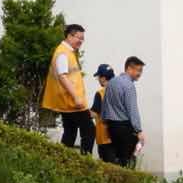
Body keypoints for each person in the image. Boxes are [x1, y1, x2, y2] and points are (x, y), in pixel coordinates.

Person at [41, 24, 92, 152]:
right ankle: (86, 159)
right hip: (72, 102)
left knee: (70, 132)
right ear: (69, 36)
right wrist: (76, 97)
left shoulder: (67, 52)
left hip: (68, 101)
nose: (81, 41)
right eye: (79, 38)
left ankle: (62, 159)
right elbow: (62, 77)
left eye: (82, 39)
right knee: (89, 130)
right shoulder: (63, 53)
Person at [101, 56, 147, 166]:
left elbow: (105, 105)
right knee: (127, 160)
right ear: (129, 68)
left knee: (117, 159)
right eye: (138, 70)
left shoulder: (111, 82)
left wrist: (106, 122)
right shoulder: (129, 86)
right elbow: (132, 109)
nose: (140, 74)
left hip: (111, 127)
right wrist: (139, 130)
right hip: (125, 127)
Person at [91, 64, 114, 159]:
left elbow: (94, 114)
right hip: (119, 137)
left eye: (98, 77)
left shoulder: (100, 93)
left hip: (105, 138)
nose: (98, 80)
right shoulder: (121, 91)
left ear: (103, 78)